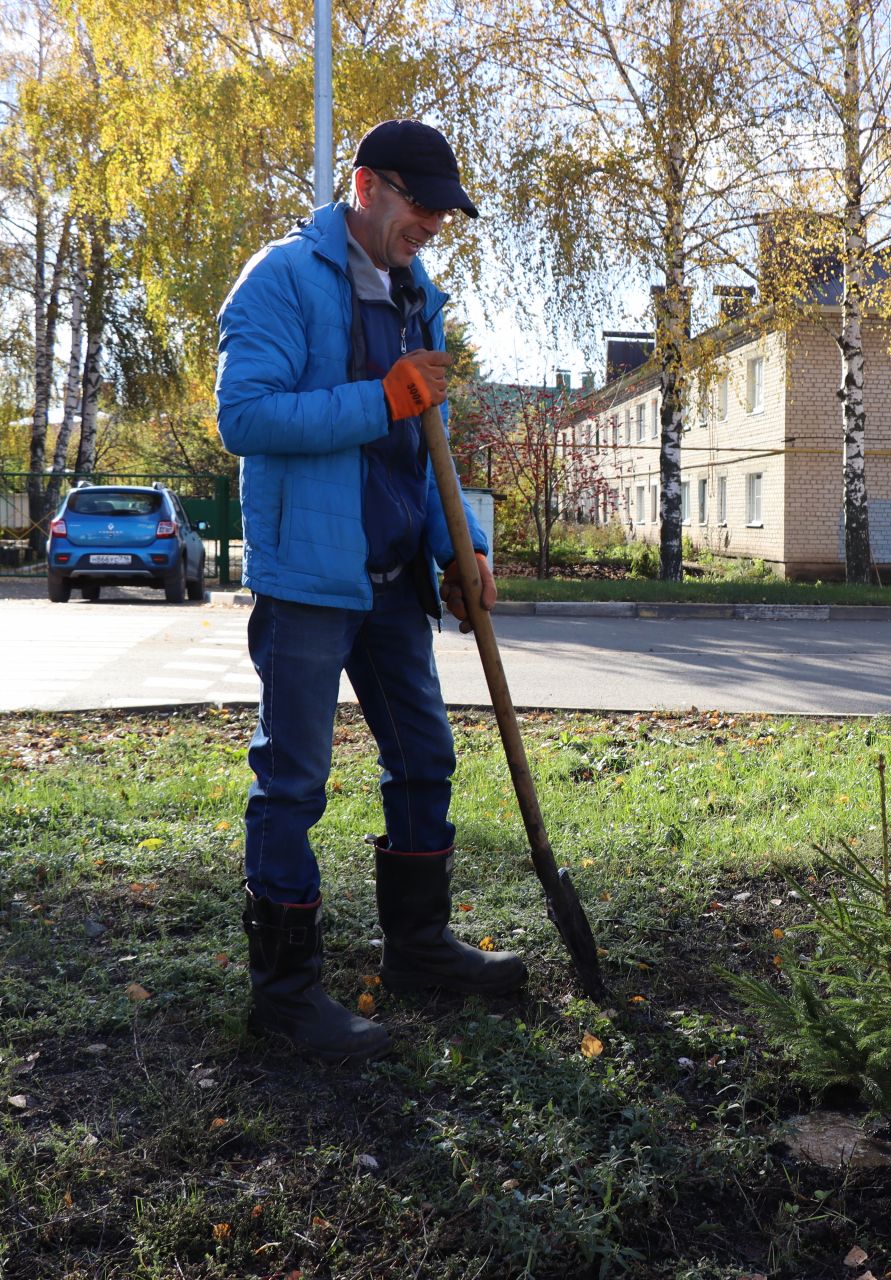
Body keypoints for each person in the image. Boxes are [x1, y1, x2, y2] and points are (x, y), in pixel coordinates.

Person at [215, 119, 526, 1063]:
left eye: (442, 208)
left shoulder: (414, 296)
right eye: (419, 202)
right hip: (310, 579)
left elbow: (427, 452)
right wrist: (379, 397)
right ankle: (285, 997)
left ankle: (420, 950)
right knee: (295, 782)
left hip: (394, 582)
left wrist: (461, 546)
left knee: (426, 757)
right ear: (365, 186)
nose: (433, 221)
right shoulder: (280, 279)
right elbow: (246, 417)